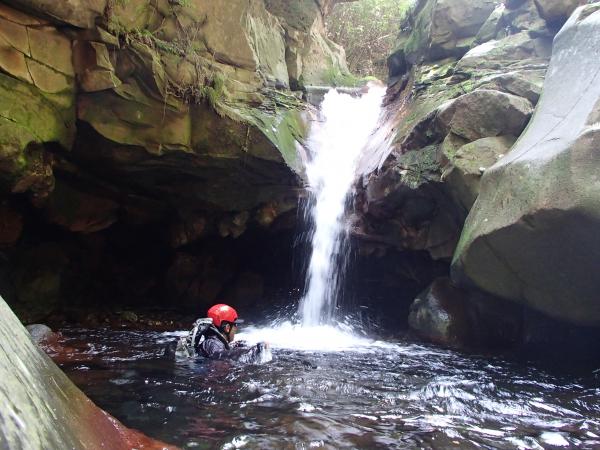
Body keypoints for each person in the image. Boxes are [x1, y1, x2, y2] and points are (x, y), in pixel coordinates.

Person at [184, 303, 269, 362]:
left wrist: (239, 344)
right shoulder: (211, 344)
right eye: (235, 325)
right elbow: (222, 355)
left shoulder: (213, 342)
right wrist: (256, 350)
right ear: (227, 328)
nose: (236, 328)